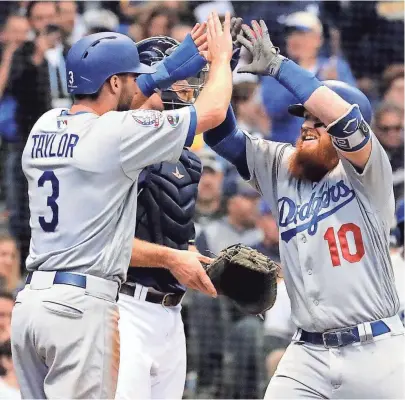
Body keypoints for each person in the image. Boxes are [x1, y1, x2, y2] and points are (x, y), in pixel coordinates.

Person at [11, 12, 234, 399]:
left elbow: (116, 97)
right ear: (115, 82)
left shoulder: (45, 124)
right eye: (131, 77)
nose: (139, 83)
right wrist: (222, 61)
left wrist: (162, 71)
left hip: (32, 306)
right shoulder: (115, 134)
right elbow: (212, 111)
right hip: (81, 305)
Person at [204, 19, 405, 398]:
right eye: (304, 120)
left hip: (377, 351)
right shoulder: (282, 165)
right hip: (307, 353)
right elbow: (221, 135)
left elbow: (344, 119)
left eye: (317, 121)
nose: (307, 127)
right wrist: (221, 68)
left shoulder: (368, 170)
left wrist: (279, 65)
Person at [115, 35, 216, 400]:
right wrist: (174, 258)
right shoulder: (118, 146)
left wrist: (213, 270)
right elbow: (102, 244)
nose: (186, 90)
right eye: (177, 80)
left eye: (188, 83)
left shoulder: (187, 160)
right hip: (121, 305)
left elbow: (175, 239)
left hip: (171, 315)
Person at [260, 11, 356, 145]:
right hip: (287, 149)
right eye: (290, 34)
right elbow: (274, 109)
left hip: (327, 147)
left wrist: (335, 86)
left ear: (318, 39)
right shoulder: (275, 71)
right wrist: (301, 75)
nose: (295, 39)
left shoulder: (335, 67)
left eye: (301, 34)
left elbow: (353, 108)